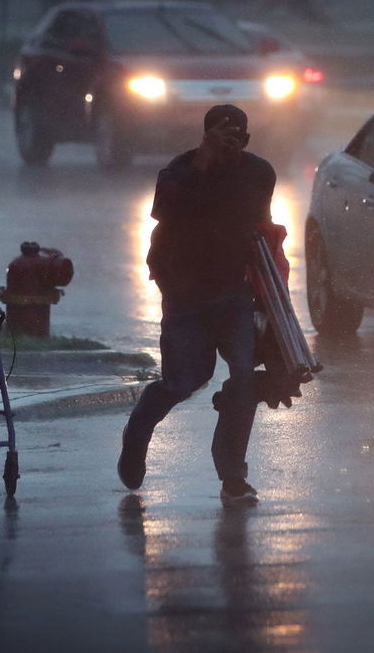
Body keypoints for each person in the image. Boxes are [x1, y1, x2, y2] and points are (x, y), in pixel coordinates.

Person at [118, 104, 276, 505]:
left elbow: (263, 235)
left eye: (236, 139)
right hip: (186, 296)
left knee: (243, 381)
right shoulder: (178, 172)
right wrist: (204, 162)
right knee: (183, 381)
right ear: (204, 136)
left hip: (235, 296)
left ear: (247, 140)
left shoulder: (259, 174)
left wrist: (272, 305)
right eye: (220, 137)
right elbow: (166, 211)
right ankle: (138, 431)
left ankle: (233, 479)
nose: (229, 146)